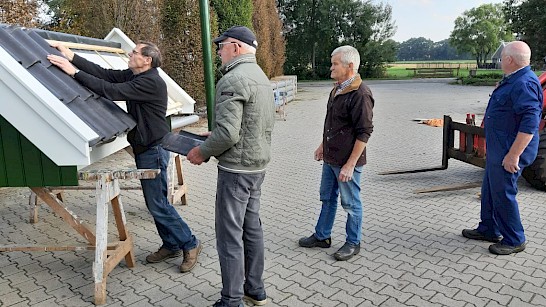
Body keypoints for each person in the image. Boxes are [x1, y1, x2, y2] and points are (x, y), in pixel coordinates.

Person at [47, 41, 202, 272]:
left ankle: (190, 243)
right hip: (146, 148)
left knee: (157, 204)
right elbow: (106, 75)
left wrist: (73, 72)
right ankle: (171, 244)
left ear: (147, 60)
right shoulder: (136, 75)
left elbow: (110, 91)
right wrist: (72, 56)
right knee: (155, 202)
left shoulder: (149, 82)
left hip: (154, 149)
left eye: (135, 53)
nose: (131, 54)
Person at [187, 26, 275, 307]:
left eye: (221, 46)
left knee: (229, 236)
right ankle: (255, 289)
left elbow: (228, 135)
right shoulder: (260, 77)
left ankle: (231, 299)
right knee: (252, 229)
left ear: (236, 47)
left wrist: (202, 151)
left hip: (236, 170)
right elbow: (247, 125)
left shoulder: (233, 79)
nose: (219, 51)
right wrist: (212, 135)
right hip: (256, 167)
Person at [462, 41, 543, 255]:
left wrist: (513, 155)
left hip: (510, 150)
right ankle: (489, 228)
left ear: (509, 60)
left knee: (503, 193)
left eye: (501, 58)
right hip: (500, 148)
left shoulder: (524, 83)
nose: (499, 62)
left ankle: (515, 239)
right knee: (490, 190)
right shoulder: (514, 80)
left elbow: (530, 124)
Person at [298, 46, 374, 261]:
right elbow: (333, 124)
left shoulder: (361, 94)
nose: (331, 67)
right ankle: (322, 236)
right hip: (330, 158)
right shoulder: (337, 89)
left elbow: (364, 132)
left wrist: (350, 165)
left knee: (351, 203)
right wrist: (322, 145)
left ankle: (353, 242)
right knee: (327, 198)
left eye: (335, 64)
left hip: (347, 161)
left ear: (350, 67)